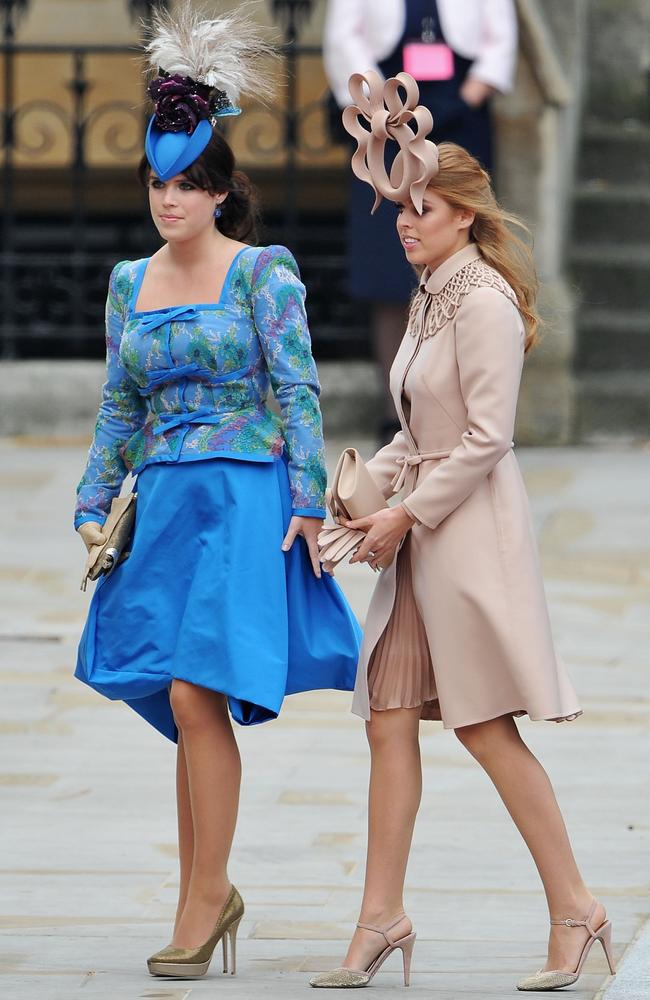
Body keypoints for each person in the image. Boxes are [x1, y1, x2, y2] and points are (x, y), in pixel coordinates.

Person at [310, 71, 616, 992]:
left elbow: (487, 438)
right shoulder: (427, 292)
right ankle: (380, 918)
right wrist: (364, 495)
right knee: (388, 722)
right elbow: (418, 429)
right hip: (417, 542)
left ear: (466, 217)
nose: (406, 221)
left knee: (485, 731)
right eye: (401, 207)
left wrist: (406, 513)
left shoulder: (478, 297)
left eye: (425, 209)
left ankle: (577, 908)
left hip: (467, 540)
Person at [73, 3, 360, 981]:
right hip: (163, 504)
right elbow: (117, 401)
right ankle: (207, 889)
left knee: (202, 688)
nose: (169, 200)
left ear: (219, 190)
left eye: (187, 184)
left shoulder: (261, 276)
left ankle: (203, 895)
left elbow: (298, 392)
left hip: (243, 501)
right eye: (157, 182)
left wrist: (310, 500)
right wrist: (91, 497)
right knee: (173, 693)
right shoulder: (127, 283)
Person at [323, 0, 517, 443]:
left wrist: (467, 97)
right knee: (392, 266)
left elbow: (500, 38)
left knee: (466, 251)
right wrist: (380, 106)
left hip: (460, 115)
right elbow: (344, 36)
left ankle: (466, 406)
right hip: (386, 122)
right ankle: (402, 411)